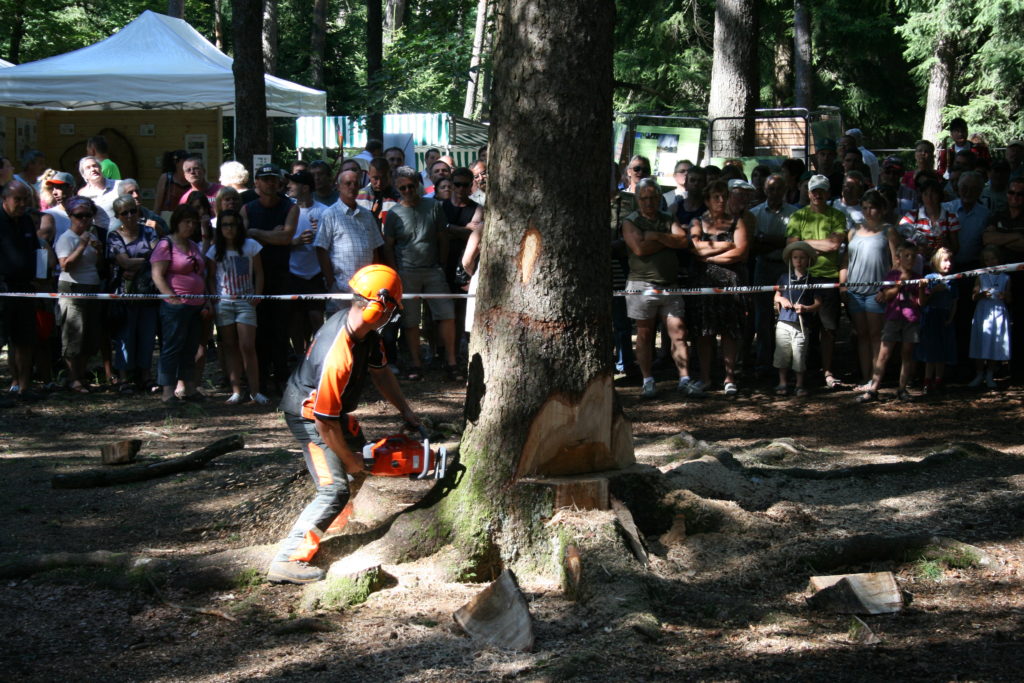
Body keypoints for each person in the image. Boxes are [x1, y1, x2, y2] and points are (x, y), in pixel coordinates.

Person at [267, 264, 421, 584]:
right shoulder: (338, 355)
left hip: (333, 416)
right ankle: (288, 558)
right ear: (377, 307)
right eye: (390, 308)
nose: (391, 315)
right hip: (310, 418)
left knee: (364, 460)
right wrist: (349, 461)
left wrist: (405, 410)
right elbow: (324, 425)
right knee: (335, 488)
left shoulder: (366, 336)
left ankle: (331, 523)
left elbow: (381, 373)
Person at [620, 178, 697, 399]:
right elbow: (639, 249)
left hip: (670, 285)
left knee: (679, 332)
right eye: (644, 198)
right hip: (641, 285)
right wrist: (667, 240)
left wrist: (654, 236)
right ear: (637, 199)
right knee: (644, 333)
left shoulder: (667, 217)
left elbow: (683, 241)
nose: (649, 202)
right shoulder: (630, 221)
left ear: (659, 198)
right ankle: (648, 380)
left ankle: (684, 379)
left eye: (653, 198)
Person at [384, 167, 462, 381]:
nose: (408, 190)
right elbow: (388, 245)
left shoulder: (434, 206)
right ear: (397, 188)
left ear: (418, 183)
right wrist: (396, 273)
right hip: (406, 272)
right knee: (410, 321)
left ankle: (452, 362)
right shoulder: (393, 214)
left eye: (411, 185)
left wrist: (442, 264)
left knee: (447, 315)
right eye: (402, 187)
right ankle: (416, 364)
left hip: (433, 270)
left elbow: (442, 237)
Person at [689, 180, 750, 396]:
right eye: (716, 196)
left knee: (729, 331)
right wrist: (725, 245)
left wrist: (710, 257)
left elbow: (741, 252)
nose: (721, 200)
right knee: (705, 331)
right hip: (704, 284)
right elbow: (694, 248)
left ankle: (729, 377)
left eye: (724, 196)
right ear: (707, 200)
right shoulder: (698, 222)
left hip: (731, 283)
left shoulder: (737, 222)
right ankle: (705, 378)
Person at [242, 164, 299, 393]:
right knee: (258, 329)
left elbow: (286, 237)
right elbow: (242, 238)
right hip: (253, 276)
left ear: (279, 182)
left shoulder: (290, 207)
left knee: (280, 329)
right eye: (264, 179)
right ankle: (261, 378)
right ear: (256, 182)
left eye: (273, 179)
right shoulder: (247, 209)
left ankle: (282, 377)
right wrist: (270, 235)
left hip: (281, 275)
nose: (269, 183)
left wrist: (257, 233)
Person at [786, 174, 847, 389]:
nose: (817, 194)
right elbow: (792, 246)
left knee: (828, 329)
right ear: (808, 192)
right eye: (814, 190)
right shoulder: (797, 216)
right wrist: (817, 243)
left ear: (828, 192)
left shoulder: (837, 216)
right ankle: (802, 371)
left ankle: (828, 371)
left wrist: (804, 242)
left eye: (821, 190)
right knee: (802, 327)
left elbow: (833, 246)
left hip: (829, 278)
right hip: (803, 279)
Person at [205, 209, 268, 405]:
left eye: (232, 224)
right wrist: (215, 299)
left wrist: (257, 294)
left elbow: (259, 272)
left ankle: (255, 392)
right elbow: (211, 276)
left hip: (245, 302)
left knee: (247, 346)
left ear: (239, 226)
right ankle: (236, 391)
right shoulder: (215, 250)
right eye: (225, 225)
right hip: (224, 302)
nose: (229, 229)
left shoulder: (251, 246)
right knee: (230, 347)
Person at [151, 205, 210, 404]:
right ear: (177, 222)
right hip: (175, 306)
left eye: (193, 222)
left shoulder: (193, 245)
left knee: (191, 347)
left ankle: (189, 388)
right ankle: (167, 391)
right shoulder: (166, 244)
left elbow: (201, 273)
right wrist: (171, 297)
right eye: (187, 221)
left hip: (196, 304)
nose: (191, 226)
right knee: (172, 347)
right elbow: (157, 275)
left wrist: (205, 299)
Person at [857, 241, 929, 402]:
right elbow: (885, 296)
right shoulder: (891, 276)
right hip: (893, 319)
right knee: (884, 354)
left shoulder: (918, 278)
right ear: (898, 258)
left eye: (913, 256)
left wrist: (922, 288)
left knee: (907, 354)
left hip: (912, 320)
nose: (910, 259)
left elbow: (922, 302)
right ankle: (873, 389)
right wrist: (899, 284)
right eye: (906, 256)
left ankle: (902, 389)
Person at [843, 190, 899, 389]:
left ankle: (876, 379)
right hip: (855, 290)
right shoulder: (853, 231)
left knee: (877, 335)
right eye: (864, 208)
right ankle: (865, 376)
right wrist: (843, 287)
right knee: (861, 334)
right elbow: (846, 261)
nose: (868, 212)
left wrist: (887, 289)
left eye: (872, 207)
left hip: (876, 291)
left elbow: (896, 263)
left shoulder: (888, 230)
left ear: (882, 209)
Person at [314, 169, 388, 316]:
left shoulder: (367, 215)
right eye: (348, 183)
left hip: (366, 288)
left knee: (365, 332)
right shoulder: (329, 215)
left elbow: (375, 250)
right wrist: (331, 283)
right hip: (340, 288)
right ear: (339, 186)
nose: (352, 187)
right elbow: (321, 250)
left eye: (356, 183)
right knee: (340, 332)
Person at [107, 194, 160, 392]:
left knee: (147, 336)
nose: (130, 215)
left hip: (149, 293)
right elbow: (123, 262)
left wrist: (135, 261)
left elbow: (159, 256)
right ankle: (123, 378)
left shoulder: (149, 231)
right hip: (125, 295)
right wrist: (144, 259)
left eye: (133, 210)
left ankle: (146, 376)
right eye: (124, 212)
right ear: (118, 215)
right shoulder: (114, 235)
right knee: (125, 336)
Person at [54, 197, 107, 393]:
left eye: (88, 216)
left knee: (89, 334)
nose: (84, 219)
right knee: (74, 333)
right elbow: (66, 265)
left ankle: (82, 376)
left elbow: (98, 266)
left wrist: (99, 252)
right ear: (70, 216)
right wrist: (82, 245)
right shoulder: (66, 238)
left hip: (92, 287)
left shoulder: (92, 237)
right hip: (72, 287)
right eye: (79, 216)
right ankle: (72, 378)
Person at [750, 173, 799, 373]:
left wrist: (766, 239)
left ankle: (786, 361)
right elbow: (754, 245)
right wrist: (778, 241)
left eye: (779, 188)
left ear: (785, 190)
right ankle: (763, 360)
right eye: (771, 189)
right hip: (762, 266)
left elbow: (791, 244)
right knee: (762, 315)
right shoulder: (755, 213)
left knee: (789, 314)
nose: (775, 193)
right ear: (764, 189)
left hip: (786, 267)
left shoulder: (795, 213)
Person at [0, 182, 41, 399]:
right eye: (18, 199)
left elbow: (36, 251)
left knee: (25, 339)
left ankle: (24, 387)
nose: (23, 204)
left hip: (25, 288)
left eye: (26, 199)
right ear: (5, 199)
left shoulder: (26, 220)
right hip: (2, 289)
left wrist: (40, 276)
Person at [285, 169, 329, 355]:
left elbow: (331, 242)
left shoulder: (325, 212)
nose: (289, 186)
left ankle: (318, 354)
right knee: (294, 317)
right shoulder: (287, 209)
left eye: (293, 183)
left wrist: (318, 235)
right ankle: (299, 355)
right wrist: (295, 241)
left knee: (316, 315)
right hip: (293, 272)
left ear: (305, 187)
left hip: (316, 272)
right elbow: (280, 239)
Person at [773, 241, 821, 397]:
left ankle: (799, 385)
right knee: (782, 353)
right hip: (784, 322)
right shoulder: (784, 277)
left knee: (799, 355)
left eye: (802, 258)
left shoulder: (812, 280)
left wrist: (806, 308)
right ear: (791, 260)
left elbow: (818, 303)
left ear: (808, 260)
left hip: (801, 324)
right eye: (795, 257)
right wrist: (781, 300)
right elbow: (776, 295)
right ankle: (782, 382)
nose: (798, 261)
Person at [968, 245, 1011, 389]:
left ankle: (990, 374)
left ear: (999, 259)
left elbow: (1010, 298)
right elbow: (974, 297)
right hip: (983, 312)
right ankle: (979, 374)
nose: (990, 262)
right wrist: (982, 294)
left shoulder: (1006, 277)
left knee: (994, 343)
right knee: (980, 342)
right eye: (987, 260)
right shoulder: (981, 276)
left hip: (998, 311)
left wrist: (1004, 296)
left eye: (993, 258)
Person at [916, 247, 957, 394]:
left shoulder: (953, 279)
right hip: (931, 317)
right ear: (936, 262)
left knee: (943, 351)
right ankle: (927, 381)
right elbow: (922, 301)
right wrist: (933, 290)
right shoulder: (929, 277)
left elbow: (954, 302)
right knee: (930, 351)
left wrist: (950, 318)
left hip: (944, 319)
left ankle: (939, 380)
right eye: (945, 260)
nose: (948, 264)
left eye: (950, 261)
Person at [77, 156, 121, 228]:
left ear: (100, 168)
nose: (93, 169)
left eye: (95, 166)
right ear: (84, 175)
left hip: (121, 233)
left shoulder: (118, 185)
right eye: (88, 168)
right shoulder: (83, 194)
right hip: (99, 235)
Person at [154, 149, 190, 213]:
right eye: (184, 160)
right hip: (167, 218)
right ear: (176, 163)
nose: (188, 164)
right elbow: (157, 205)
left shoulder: (191, 179)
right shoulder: (166, 178)